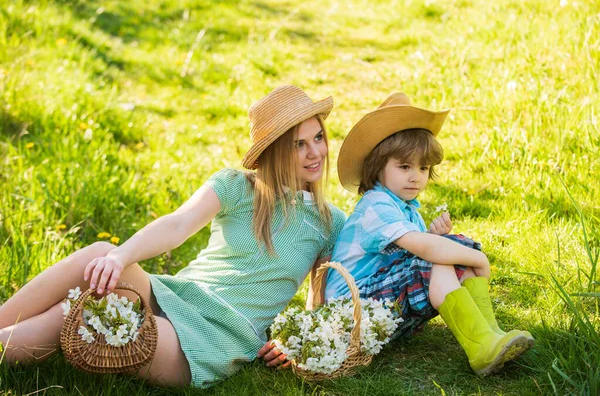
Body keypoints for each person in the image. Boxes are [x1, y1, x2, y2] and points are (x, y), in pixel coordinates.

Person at [0, 85, 346, 388]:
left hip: (217, 337)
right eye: (299, 144)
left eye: (318, 138)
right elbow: (178, 224)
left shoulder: (329, 222)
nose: (315, 152)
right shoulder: (238, 186)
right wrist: (120, 257)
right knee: (101, 253)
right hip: (175, 295)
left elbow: (323, 300)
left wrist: (295, 340)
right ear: (274, 151)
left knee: (83, 312)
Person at [324, 93, 534, 376]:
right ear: (377, 167)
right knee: (437, 255)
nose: (416, 177)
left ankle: (490, 334)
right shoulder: (376, 204)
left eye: (423, 168)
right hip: (350, 316)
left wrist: (438, 239)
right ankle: (482, 345)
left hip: (380, 314)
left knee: (445, 251)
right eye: (404, 167)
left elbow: (420, 254)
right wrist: (476, 257)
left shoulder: (408, 210)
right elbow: (424, 253)